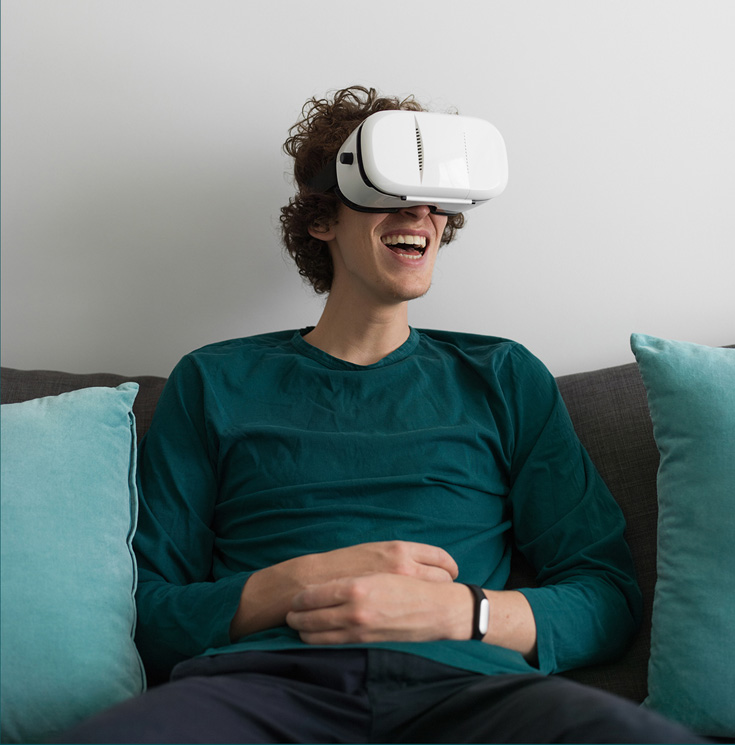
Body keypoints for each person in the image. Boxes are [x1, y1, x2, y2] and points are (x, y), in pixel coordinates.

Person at [57, 86, 704, 744]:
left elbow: (605, 595)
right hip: (257, 688)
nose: (419, 212)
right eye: (390, 190)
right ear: (320, 219)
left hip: (470, 691)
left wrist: (463, 611)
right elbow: (147, 612)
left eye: (433, 199)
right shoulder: (214, 380)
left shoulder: (502, 376)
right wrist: (295, 581)